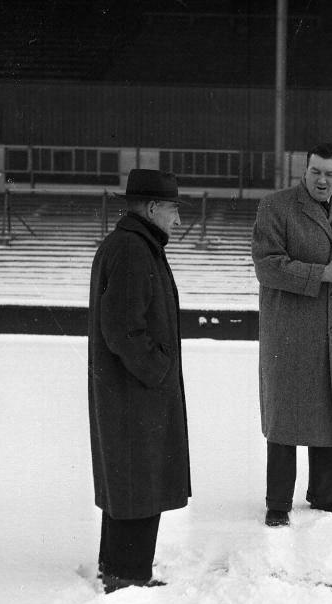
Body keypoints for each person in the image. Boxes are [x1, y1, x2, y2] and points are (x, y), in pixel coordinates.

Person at [251, 142, 332, 527]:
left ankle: (326, 495)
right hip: (290, 332)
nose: (321, 180)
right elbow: (266, 265)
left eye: (329, 173)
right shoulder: (276, 207)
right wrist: (319, 274)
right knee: (285, 417)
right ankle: (278, 502)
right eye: (315, 172)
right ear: (304, 172)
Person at [88, 169, 190, 591]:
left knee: (129, 481)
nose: (177, 221)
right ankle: (127, 577)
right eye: (173, 210)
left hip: (129, 391)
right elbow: (123, 329)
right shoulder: (133, 250)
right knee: (139, 481)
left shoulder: (131, 245)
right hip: (136, 392)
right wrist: (159, 369)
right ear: (151, 209)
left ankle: (117, 567)